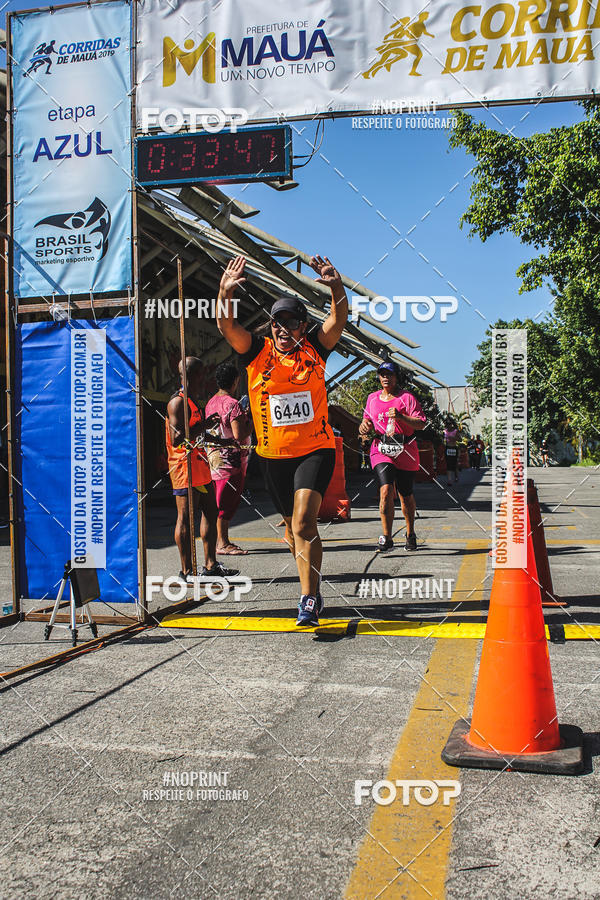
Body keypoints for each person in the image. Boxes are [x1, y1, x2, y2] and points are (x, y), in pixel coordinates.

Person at [217, 254, 348, 627]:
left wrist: (336, 286)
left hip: (315, 450)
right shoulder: (257, 352)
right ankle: (313, 587)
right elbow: (227, 327)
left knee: (306, 524)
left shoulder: (315, 349)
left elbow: (338, 319)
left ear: (303, 326)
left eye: (290, 322)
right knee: (292, 531)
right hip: (273, 455)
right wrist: (225, 293)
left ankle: (308, 599)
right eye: (277, 322)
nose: (282, 328)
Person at [165, 357, 240, 583]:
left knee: (211, 511)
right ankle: (186, 572)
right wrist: (203, 426)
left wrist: (223, 443)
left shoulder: (193, 401)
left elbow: (199, 434)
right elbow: (177, 438)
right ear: (189, 376)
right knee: (186, 518)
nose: (204, 379)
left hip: (200, 465)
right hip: (183, 468)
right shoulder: (177, 403)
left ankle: (210, 565)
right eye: (200, 374)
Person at [359, 361, 426, 552]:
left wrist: (401, 417)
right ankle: (386, 537)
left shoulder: (407, 398)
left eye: (389, 374)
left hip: (405, 449)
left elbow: (421, 424)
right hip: (381, 449)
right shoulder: (372, 398)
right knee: (386, 490)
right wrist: (364, 427)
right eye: (382, 374)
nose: (385, 378)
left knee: (405, 495)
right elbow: (366, 421)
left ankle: (410, 533)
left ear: (396, 377)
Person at [204, 360, 252, 555]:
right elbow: (239, 434)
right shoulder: (232, 404)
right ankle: (222, 543)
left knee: (219, 502)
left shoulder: (211, 403)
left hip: (213, 460)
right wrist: (252, 421)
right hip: (231, 462)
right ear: (235, 381)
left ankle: (220, 542)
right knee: (227, 503)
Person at [443, 418, 459, 486]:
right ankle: (449, 480)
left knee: (454, 464)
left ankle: (456, 476)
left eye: (449, 424)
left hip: (454, 448)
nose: (448, 426)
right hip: (448, 448)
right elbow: (443, 439)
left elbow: (460, 439)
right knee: (448, 464)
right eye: (447, 424)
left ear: (452, 424)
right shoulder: (444, 431)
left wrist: (454, 438)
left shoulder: (455, 431)